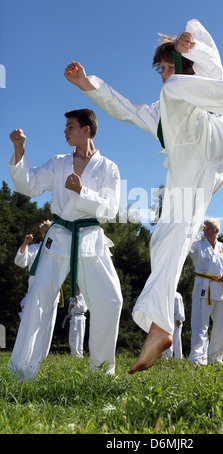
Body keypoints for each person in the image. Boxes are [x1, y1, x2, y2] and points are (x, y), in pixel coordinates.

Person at [64, 18, 223, 374]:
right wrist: (85, 84)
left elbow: (211, 71)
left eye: (172, 67)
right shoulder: (159, 111)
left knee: (179, 89)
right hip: (191, 168)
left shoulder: (187, 83)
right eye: (163, 69)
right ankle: (160, 327)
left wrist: (188, 49)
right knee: (167, 236)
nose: (167, 74)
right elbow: (121, 107)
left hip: (211, 134)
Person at [8, 108, 123, 381]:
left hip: (90, 239)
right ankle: (22, 373)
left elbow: (110, 210)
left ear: (87, 129)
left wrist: (82, 192)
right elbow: (30, 185)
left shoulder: (108, 167)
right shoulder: (59, 162)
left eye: (70, 126)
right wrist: (19, 150)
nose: (65, 131)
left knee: (111, 300)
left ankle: (101, 373)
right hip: (58, 237)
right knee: (37, 300)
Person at [189, 219, 223, 365]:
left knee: (220, 327)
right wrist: (196, 230)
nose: (206, 231)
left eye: (209, 228)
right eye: (204, 228)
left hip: (221, 290)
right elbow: (185, 247)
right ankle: (198, 359)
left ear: (217, 231)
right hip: (203, 287)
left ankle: (216, 358)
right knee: (200, 325)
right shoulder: (197, 245)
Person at [14, 220, 52, 319]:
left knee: (47, 322)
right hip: (35, 284)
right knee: (31, 317)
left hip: (51, 287)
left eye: (49, 231)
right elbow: (20, 261)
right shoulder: (35, 248)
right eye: (44, 231)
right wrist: (25, 243)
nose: (46, 233)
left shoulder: (58, 250)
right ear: (41, 233)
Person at [63, 285, 88, 358]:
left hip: (80, 318)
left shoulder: (83, 297)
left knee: (79, 337)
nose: (77, 289)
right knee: (72, 337)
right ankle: (73, 354)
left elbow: (84, 309)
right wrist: (70, 309)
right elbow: (69, 310)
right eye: (76, 287)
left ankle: (79, 355)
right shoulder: (72, 297)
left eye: (78, 288)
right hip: (73, 318)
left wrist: (77, 302)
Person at [162, 292, 185, 359]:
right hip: (167, 319)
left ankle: (178, 357)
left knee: (176, 339)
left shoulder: (177, 295)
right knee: (167, 338)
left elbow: (179, 307)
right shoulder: (165, 294)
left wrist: (179, 319)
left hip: (175, 319)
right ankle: (166, 356)